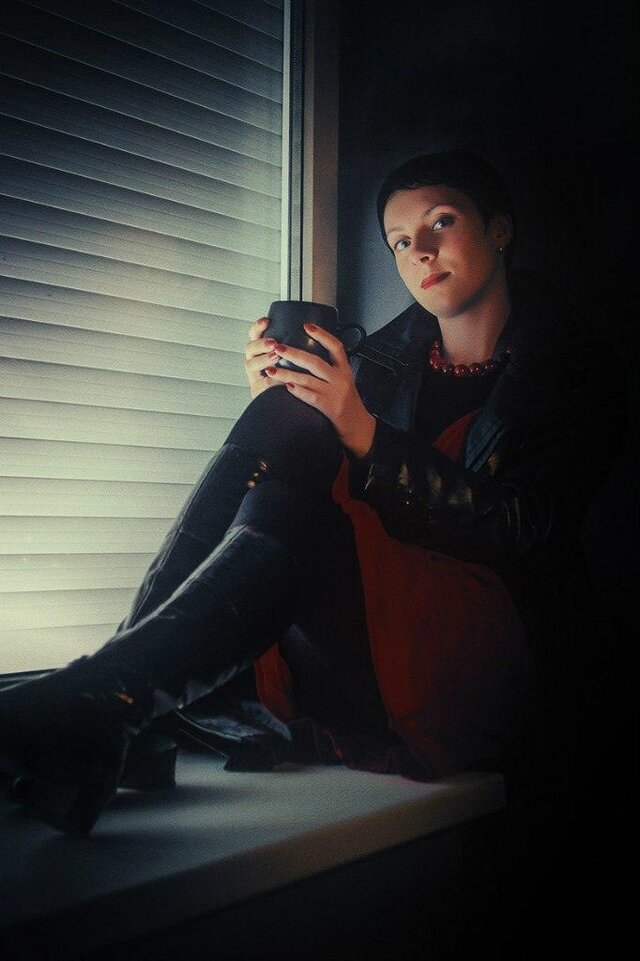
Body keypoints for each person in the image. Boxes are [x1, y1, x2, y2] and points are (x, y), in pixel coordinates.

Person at [0, 149, 625, 838]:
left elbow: (525, 525)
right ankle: (115, 701)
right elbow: (322, 496)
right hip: (367, 628)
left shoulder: (574, 367)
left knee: (302, 458)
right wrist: (277, 412)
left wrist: (363, 434)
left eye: (442, 222)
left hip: (486, 645)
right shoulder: (379, 363)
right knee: (286, 414)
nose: (420, 250)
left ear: (499, 228)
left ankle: (114, 702)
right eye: (399, 241)